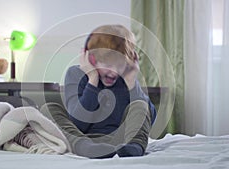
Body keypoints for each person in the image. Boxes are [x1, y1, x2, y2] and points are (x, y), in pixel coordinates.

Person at [40, 24, 156, 158]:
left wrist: (131, 82)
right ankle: (84, 148)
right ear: (91, 59)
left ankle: (135, 147)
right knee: (48, 108)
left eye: (120, 65)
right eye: (107, 65)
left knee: (141, 103)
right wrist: (92, 80)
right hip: (83, 138)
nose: (114, 72)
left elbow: (148, 119)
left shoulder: (126, 78)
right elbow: (78, 124)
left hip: (120, 142)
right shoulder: (75, 74)